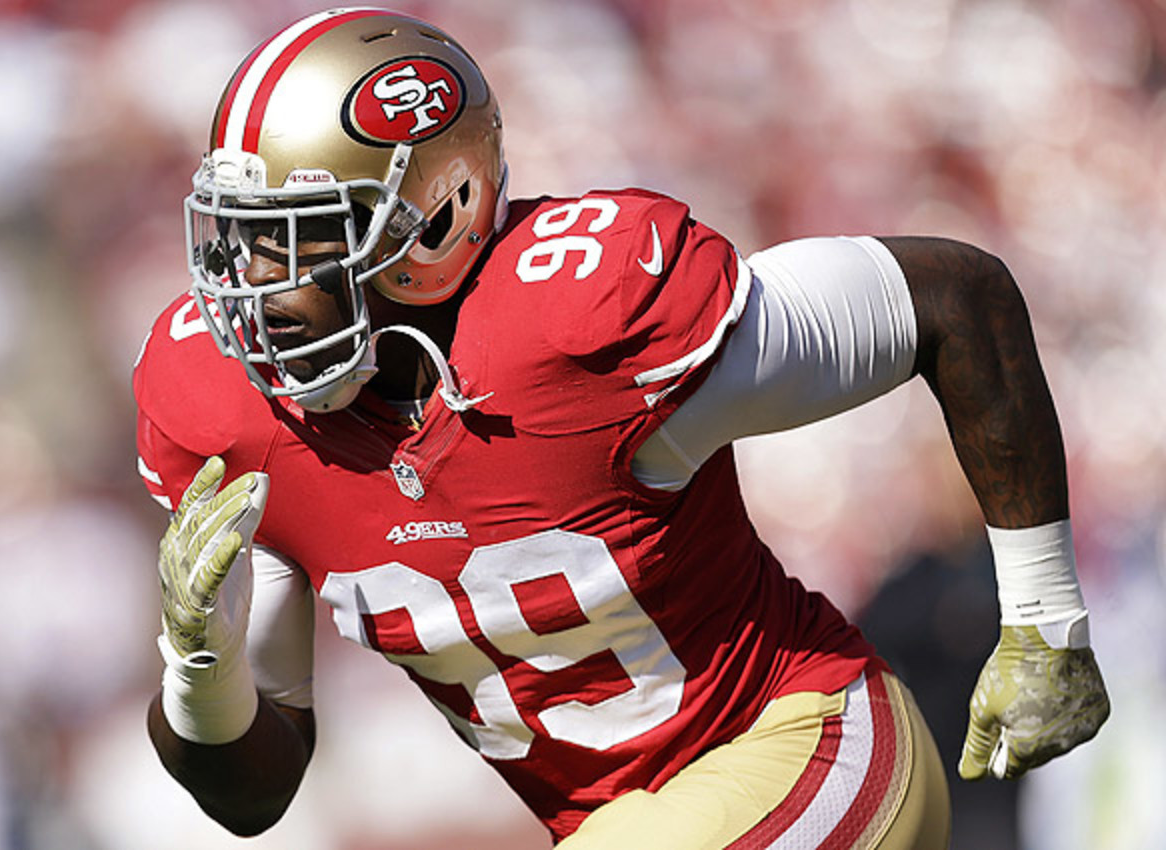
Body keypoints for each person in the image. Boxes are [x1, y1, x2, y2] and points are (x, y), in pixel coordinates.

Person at [135, 8, 1109, 849]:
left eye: (301, 236)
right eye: (242, 237)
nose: (254, 284)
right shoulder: (231, 417)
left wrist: (1045, 623)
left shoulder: (577, 322)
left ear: (432, 219)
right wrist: (202, 671)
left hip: (806, 745)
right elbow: (253, 798)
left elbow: (956, 299)